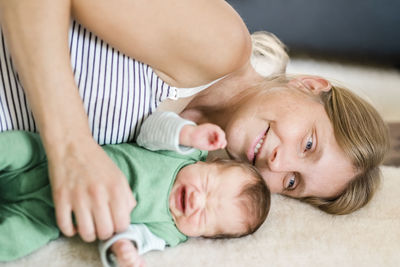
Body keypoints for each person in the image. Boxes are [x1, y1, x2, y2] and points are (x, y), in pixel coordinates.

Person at [0, 0, 390, 244]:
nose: (278, 163)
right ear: (310, 85)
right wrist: (71, 147)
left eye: (292, 183)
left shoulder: (186, 175)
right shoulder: (221, 45)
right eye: (308, 144)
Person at [0, 124, 270, 264]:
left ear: (205, 236)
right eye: (209, 185)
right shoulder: (181, 152)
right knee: (13, 146)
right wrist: (188, 133)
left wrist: (124, 249)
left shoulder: (169, 232)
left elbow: (135, 236)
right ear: (208, 162)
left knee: (13, 242)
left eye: (206, 216)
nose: (198, 200)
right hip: (46, 157)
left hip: (45, 215)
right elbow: (150, 131)